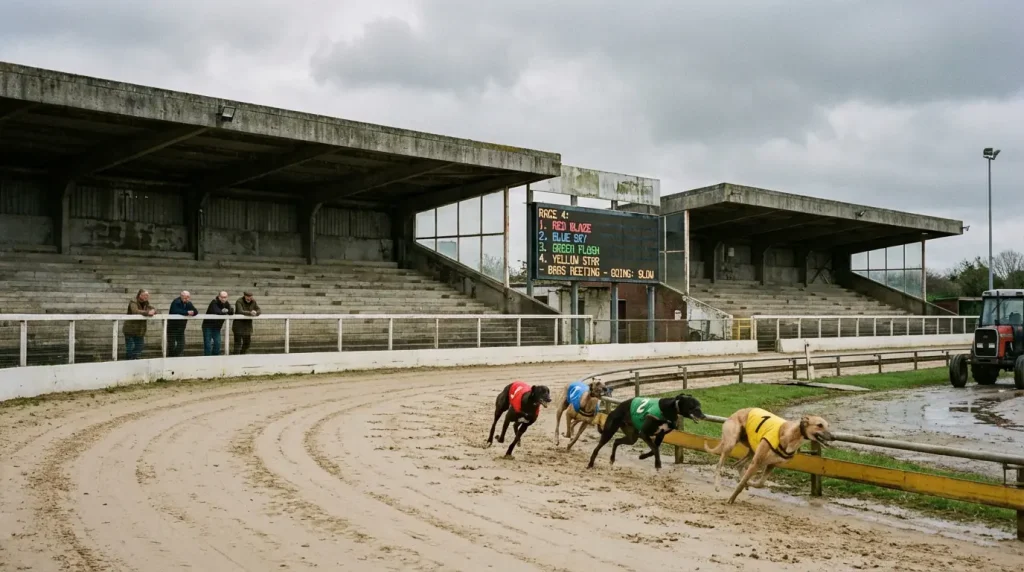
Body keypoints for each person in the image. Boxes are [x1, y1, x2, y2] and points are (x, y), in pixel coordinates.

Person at [123, 289, 156, 359]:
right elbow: (135, 311)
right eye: (145, 295)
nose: (147, 297)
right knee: (130, 347)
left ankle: (133, 358)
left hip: (140, 330)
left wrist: (153, 310)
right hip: (130, 329)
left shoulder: (146, 303)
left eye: (147, 295)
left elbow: (153, 309)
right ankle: (129, 360)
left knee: (140, 346)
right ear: (140, 295)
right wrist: (147, 312)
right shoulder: (133, 302)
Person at [202, 291, 234, 356]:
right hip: (207, 326)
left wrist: (226, 311)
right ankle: (207, 358)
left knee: (218, 343)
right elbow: (216, 311)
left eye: (225, 297)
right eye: (222, 297)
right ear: (219, 297)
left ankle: (215, 358)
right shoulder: (214, 302)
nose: (223, 299)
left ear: (227, 297)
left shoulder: (226, 303)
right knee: (207, 344)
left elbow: (231, 311)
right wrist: (225, 311)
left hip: (217, 327)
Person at [167, 291, 198, 357]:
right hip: (172, 327)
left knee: (181, 344)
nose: (187, 299)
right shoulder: (176, 302)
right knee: (171, 345)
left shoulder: (188, 303)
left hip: (181, 327)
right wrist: (187, 312)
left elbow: (195, 311)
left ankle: (174, 356)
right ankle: (171, 357)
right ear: (181, 296)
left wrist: (192, 312)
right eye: (185, 298)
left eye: (188, 297)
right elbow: (174, 311)